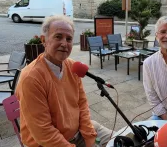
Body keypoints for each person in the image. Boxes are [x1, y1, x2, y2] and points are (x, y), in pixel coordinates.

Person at [15, 15, 112, 147]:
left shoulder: (73, 67)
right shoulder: (31, 78)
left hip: (78, 132)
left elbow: (82, 105)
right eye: (58, 37)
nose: (64, 44)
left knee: (124, 139)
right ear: (44, 40)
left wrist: (90, 139)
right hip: (45, 143)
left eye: (69, 39)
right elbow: (43, 132)